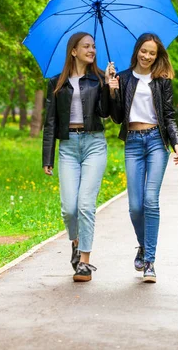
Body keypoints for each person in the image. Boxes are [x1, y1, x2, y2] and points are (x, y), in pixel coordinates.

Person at [107, 32, 178, 283]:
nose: (147, 56)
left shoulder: (162, 81)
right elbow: (117, 117)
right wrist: (112, 91)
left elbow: (169, 116)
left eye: (152, 53)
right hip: (132, 143)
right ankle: (143, 245)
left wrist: (177, 142)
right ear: (137, 50)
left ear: (157, 55)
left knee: (151, 201)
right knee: (135, 206)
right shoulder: (124, 78)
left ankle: (149, 261)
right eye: (144, 51)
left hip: (155, 143)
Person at [42, 32, 112, 282]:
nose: (91, 50)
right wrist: (47, 157)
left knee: (85, 205)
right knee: (69, 208)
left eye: (93, 46)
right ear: (73, 51)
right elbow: (50, 122)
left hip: (94, 144)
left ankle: (84, 261)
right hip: (68, 147)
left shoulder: (100, 79)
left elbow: (107, 114)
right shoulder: (55, 83)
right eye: (86, 46)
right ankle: (75, 242)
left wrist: (111, 89)